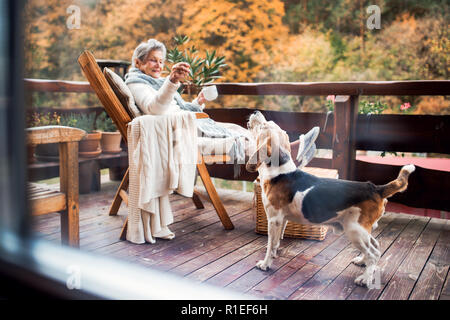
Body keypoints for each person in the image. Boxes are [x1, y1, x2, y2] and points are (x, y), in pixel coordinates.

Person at [125, 39, 317, 169]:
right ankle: (289, 156)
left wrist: (197, 103)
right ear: (138, 62)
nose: (159, 65)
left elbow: (171, 107)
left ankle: (288, 151)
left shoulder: (154, 82)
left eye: (160, 61)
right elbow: (155, 109)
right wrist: (173, 80)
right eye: (153, 61)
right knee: (240, 139)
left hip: (185, 124)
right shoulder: (137, 83)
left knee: (239, 129)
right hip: (175, 133)